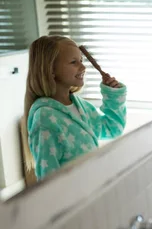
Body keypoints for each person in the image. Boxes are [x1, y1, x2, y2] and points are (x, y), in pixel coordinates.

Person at [22, 35, 126, 180]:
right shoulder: (45, 118)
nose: (83, 67)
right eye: (73, 62)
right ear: (51, 70)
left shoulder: (82, 107)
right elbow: (47, 178)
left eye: (81, 61)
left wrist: (114, 96)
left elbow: (112, 129)